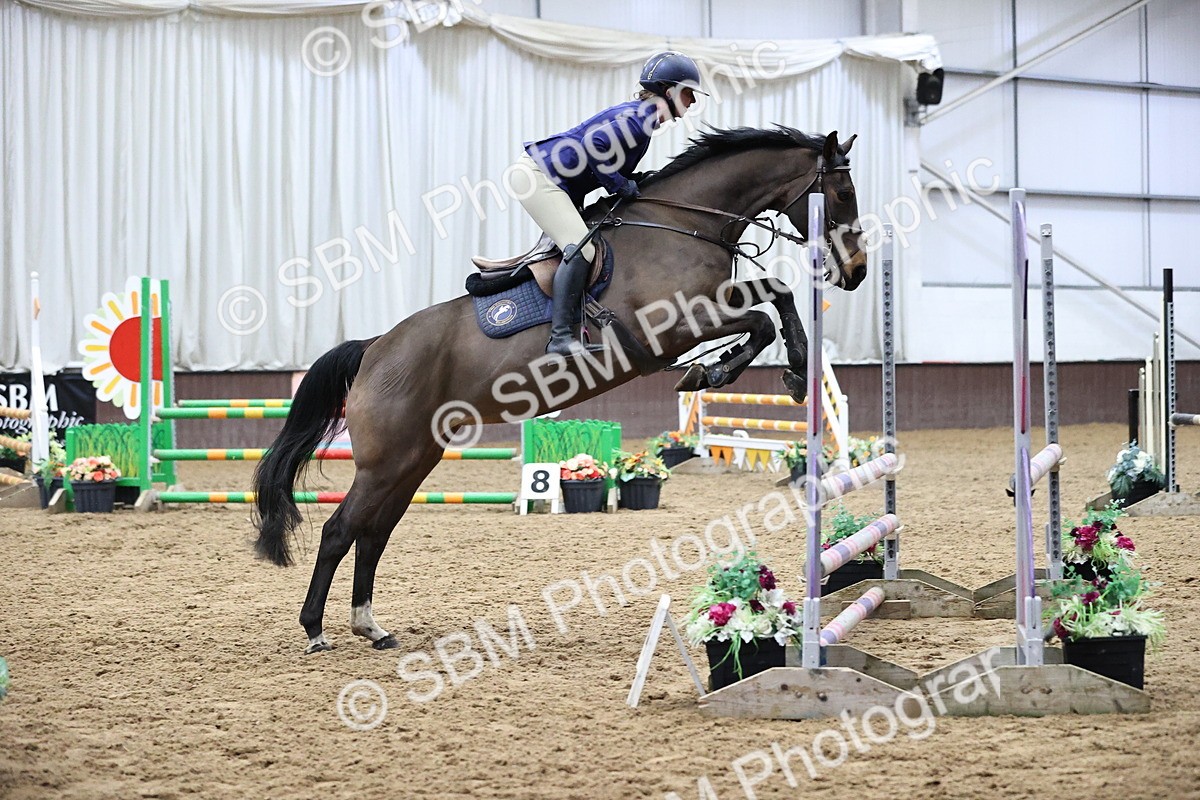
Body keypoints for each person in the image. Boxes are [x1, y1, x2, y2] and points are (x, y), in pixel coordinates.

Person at [519, 51, 705, 356]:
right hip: (540, 177)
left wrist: (637, 181)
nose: (692, 102)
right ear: (668, 91)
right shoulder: (638, 118)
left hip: (558, 180)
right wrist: (622, 186)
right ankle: (559, 338)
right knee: (581, 247)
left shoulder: (643, 121)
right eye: (688, 93)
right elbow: (597, 149)